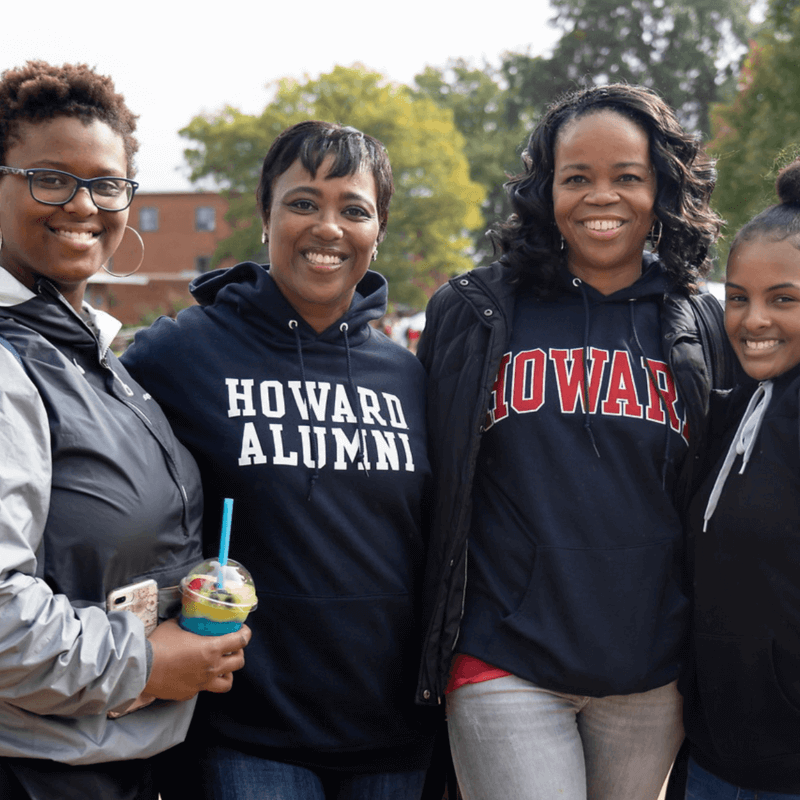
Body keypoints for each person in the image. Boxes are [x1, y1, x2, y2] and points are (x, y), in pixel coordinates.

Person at [414, 83, 736, 800]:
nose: (602, 197)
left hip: (650, 670)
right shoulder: (476, 310)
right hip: (504, 655)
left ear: (662, 188)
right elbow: (429, 479)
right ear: (544, 189)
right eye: (576, 178)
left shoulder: (699, 322)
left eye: (628, 177)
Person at [122, 121, 436, 800]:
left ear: (377, 230)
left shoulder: (410, 376)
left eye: (354, 209)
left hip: (394, 733)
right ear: (265, 214)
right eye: (303, 202)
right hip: (246, 732)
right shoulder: (182, 353)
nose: (328, 227)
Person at [0, 61, 250, 800]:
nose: (82, 203)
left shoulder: (93, 353)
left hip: (123, 755)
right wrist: (145, 661)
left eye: (106, 183)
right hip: (39, 770)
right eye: (50, 177)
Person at [668, 158, 800, 799]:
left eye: (784, 299)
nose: (753, 321)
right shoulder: (743, 401)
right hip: (716, 757)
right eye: (739, 298)